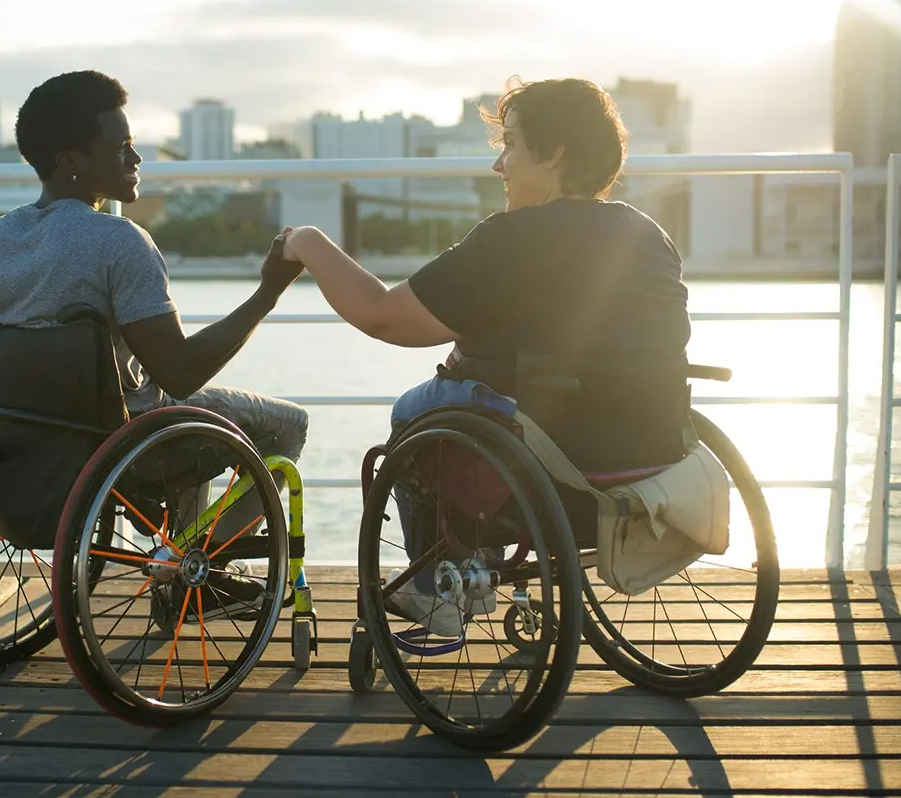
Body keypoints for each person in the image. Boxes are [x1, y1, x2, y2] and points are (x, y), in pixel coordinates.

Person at [281, 77, 691, 636]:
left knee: (413, 411)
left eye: (513, 144)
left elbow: (380, 314)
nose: (500, 165)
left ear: (555, 153)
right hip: (649, 462)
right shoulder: (648, 235)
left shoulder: (511, 239)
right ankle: (480, 562)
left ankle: (435, 590)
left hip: (551, 465)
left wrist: (305, 242)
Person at [0, 70, 309, 622]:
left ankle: (181, 561)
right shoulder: (119, 243)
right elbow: (181, 372)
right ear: (71, 161)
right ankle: (201, 575)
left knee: (175, 408)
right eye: (121, 147)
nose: (137, 158)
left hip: (32, 447)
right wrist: (268, 292)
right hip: (125, 447)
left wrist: (7, 348)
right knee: (286, 425)